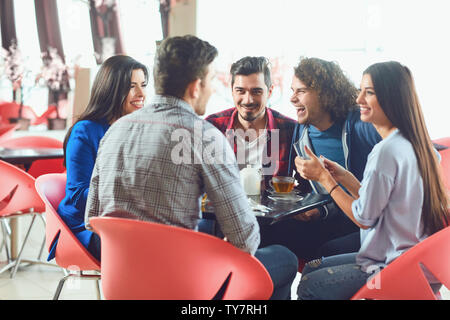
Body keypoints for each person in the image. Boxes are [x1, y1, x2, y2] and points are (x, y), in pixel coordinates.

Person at [84, 35, 298, 300]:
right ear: (196, 86)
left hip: (121, 283)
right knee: (285, 258)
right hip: (183, 285)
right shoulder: (204, 136)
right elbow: (245, 240)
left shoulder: (115, 131)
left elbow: (91, 218)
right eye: (210, 81)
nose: (211, 89)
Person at [296, 61, 449, 300]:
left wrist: (324, 178)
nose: (358, 100)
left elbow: (363, 218)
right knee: (312, 266)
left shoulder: (385, 151)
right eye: (360, 91)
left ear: (391, 99)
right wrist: (344, 177)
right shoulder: (415, 144)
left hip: (395, 267)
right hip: (418, 262)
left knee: (310, 285)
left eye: (368, 92)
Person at [259, 57, 381, 261]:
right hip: (332, 215)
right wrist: (316, 210)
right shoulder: (301, 131)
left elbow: (413, 150)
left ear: (325, 94)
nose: (292, 98)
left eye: (301, 91)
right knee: (266, 234)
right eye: (292, 90)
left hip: (367, 221)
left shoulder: (361, 125)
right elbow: (312, 192)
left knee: (328, 250)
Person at [52, 55, 148, 262]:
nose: (141, 94)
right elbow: (78, 195)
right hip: (85, 229)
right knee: (152, 248)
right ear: (111, 90)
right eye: (132, 86)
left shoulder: (139, 130)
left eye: (143, 85)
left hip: (124, 221)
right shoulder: (85, 131)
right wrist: (129, 197)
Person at [205, 56, 297, 181]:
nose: (248, 100)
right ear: (232, 91)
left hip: (269, 201)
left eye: (256, 91)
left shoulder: (291, 129)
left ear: (269, 92)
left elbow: (305, 186)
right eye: (240, 91)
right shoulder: (212, 126)